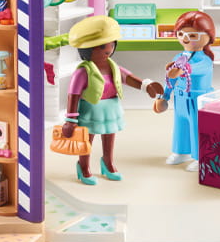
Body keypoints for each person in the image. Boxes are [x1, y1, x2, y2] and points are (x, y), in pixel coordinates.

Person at [57, 15, 164, 184]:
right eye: (102, 46)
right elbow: (73, 94)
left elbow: (128, 78)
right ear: (88, 49)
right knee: (87, 139)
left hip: (110, 107)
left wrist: (146, 86)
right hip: (91, 108)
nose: (108, 49)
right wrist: (70, 119)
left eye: (111, 44)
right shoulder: (83, 71)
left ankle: (108, 162)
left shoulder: (113, 67)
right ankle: (83, 166)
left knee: (109, 136)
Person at [156, 10, 218, 166]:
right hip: (181, 98)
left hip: (198, 100)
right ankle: (181, 152)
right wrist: (164, 96)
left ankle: (200, 157)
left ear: (208, 37)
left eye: (192, 35)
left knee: (197, 128)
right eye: (181, 34)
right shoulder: (178, 57)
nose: (185, 38)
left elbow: (197, 69)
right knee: (180, 127)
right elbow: (171, 79)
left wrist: (183, 69)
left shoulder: (205, 60)